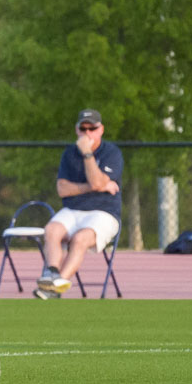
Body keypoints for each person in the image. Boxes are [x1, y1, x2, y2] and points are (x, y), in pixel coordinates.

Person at [34, 109, 123, 300]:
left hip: (103, 213)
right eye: (84, 128)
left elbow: (98, 182)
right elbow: (62, 189)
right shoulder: (69, 154)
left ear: (101, 130)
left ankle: (53, 290)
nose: (88, 133)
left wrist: (88, 154)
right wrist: (92, 186)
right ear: (77, 130)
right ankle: (52, 274)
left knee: (80, 239)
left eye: (92, 128)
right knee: (51, 230)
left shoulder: (111, 153)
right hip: (72, 209)